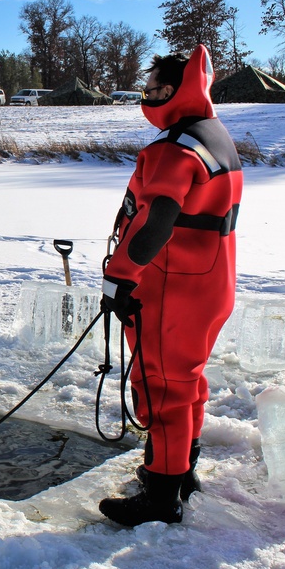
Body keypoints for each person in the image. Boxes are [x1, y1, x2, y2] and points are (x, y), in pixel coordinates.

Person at [98, 45, 243, 526]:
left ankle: (159, 497)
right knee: (188, 382)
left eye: (154, 88)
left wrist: (120, 276)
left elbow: (158, 219)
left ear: (177, 90)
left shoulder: (173, 147)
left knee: (162, 388)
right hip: (211, 285)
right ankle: (182, 473)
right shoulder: (214, 136)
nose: (146, 96)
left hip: (173, 287)